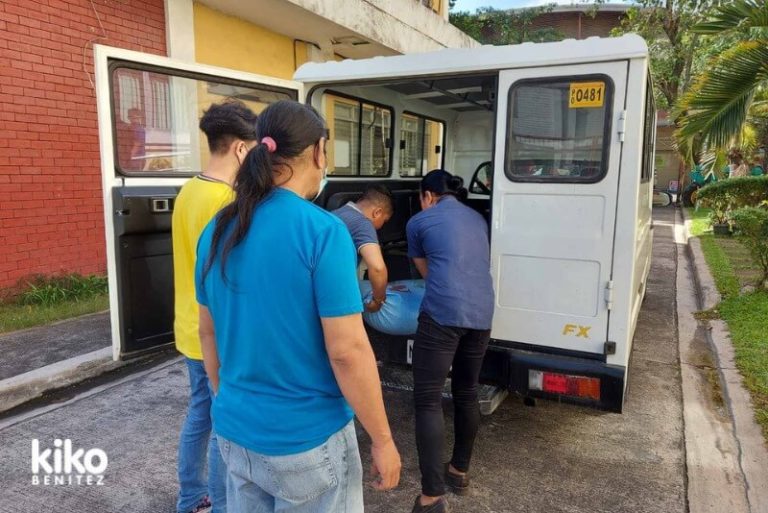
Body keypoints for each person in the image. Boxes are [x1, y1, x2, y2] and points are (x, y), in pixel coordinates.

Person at [195, 100, 401, 513]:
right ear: (318, 151)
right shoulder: (323, 232)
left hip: (236, 434)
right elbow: (347, 352)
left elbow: (208, 331)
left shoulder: (216, 230)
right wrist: (383, 439)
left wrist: (229, 401)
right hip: (305, 442)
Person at [172, 99, 259, 513]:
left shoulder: (188, 189)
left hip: (188, 327)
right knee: (223, 422)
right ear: (242, 148)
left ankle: (191, 496)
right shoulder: (227, 200)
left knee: (200, 415)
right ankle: (221, 506)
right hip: (216, 333)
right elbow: (233, 277)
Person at [406, 169, 495, 513]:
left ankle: (431, 496)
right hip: (483, 313)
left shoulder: (419, 222)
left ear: (427, 195)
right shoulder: (477, 218)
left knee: (427, 400)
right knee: (466, 390)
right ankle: (459, 471)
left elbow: (426, 272)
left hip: (443, 314)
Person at [333, 185, 394, 312]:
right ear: (377, 212)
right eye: (385, 221)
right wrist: (378, 301)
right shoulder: (362, 224)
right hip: (333, 290)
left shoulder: (335, 213)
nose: (382, 226)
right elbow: (377, 268)